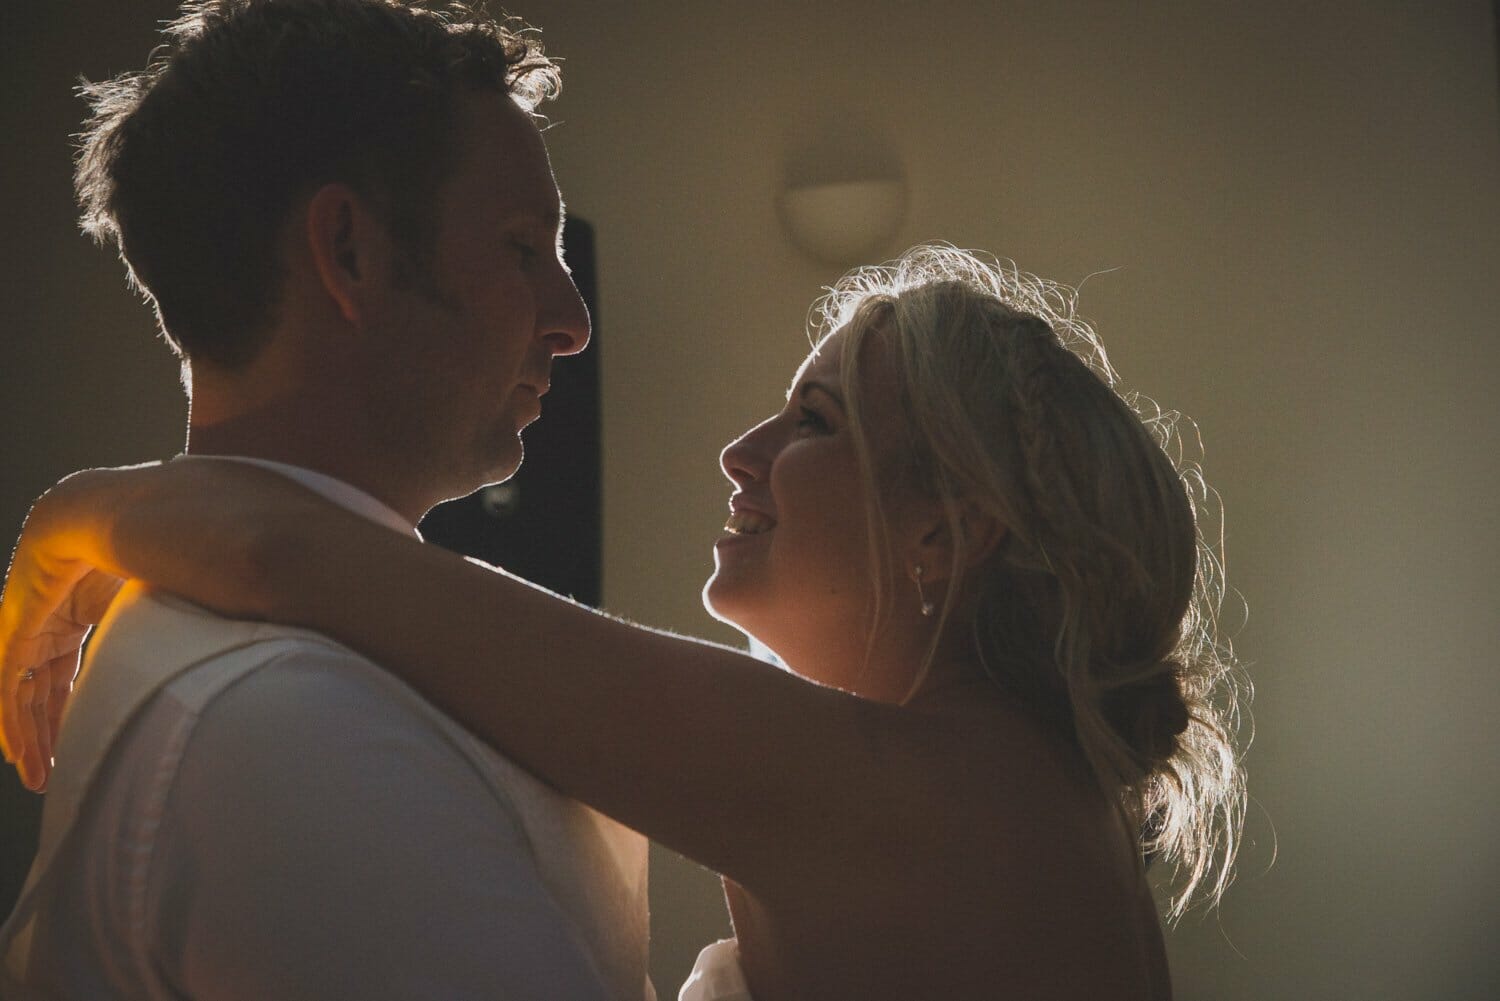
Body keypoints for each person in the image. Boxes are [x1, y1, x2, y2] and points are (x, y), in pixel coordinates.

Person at [1, 243, 1249, 998]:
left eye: (813, 425)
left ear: (943, 532)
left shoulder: (919, 797)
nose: (741, 449)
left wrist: (65, 521)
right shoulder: (996, 791)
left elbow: (287, 547)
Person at [0, 2, 656, 998]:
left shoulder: (286, 659)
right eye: (525, 247)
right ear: (349, 249)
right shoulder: (297, 732)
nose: (570, 321)